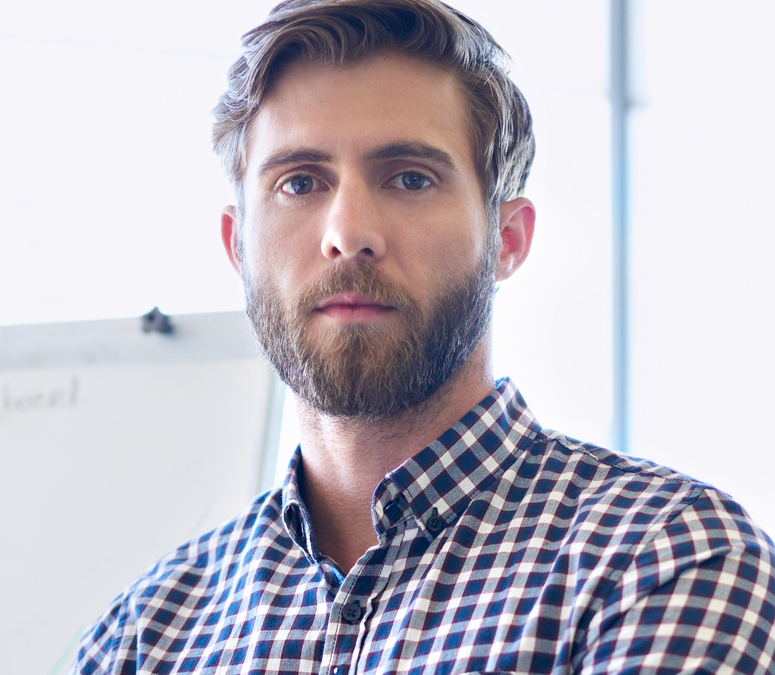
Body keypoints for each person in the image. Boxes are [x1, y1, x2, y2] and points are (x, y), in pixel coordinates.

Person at [70, 1, 775, 673]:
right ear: (237, 246)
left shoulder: (662, 557)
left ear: (506, 237)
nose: (348, 234)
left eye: (409, 178)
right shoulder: (146, 633)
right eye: (299, 182)